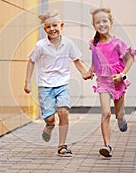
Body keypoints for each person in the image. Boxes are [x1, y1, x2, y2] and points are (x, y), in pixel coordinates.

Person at [24, 10, 92, 157]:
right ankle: (49, 124)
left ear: (61, 25)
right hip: (45, 85)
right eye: (48, 27)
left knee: (64, 112)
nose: (52, 29)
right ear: (45, 29)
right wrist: (27, 82)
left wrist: (85, 72)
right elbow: (31, 62)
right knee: (49, 117)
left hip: (62, 85)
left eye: (55, 25)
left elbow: (77, 61)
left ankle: (62, 146)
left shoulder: (68, 44)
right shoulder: (40, 45)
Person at [88, 8, 136, 158]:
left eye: (104, 21)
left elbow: (129, 59)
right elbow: (95, 62)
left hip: (118, 82)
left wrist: (122, 74)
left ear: (111, 22)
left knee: (118, 113)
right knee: (105, 112)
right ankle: (107, 145)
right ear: (94, 25)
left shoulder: (117, 43)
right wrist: (90, 71)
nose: (101, 24)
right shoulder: (94, 43)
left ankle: (121, 118)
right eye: (98, 22)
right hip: (103, 82)